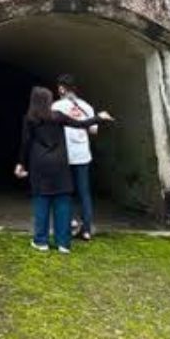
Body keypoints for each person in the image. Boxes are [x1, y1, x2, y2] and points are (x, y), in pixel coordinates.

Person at [14, 86, 112, 253]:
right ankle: (63, 243)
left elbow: (26, 143)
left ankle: (41, 241)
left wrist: (20, 164)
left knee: (41, 202)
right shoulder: (57, 116)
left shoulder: (30, 119)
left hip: (39, 164)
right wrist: (99, 118)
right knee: (62, 201)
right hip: (60, 164)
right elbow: (81, 124)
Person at [53, 74, 98, 241]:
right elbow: (93, 130)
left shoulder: (57, 106)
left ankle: (71, 224)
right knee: (84, 192)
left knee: (65, 191)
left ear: (62, 88)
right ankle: (86, 229)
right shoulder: (86, 106)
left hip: (64, 155)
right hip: (82, 154)